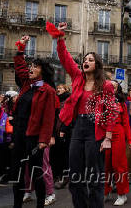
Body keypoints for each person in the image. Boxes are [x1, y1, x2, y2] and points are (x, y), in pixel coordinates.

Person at [50, 22, 119, 208]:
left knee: (94, 177)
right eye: (85, 59)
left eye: (90, 59)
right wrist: (61, 37)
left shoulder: (105, 85)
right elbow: (64, 58)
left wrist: (108, 137)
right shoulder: (77, 77)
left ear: (97, 64)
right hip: (77, 129)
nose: (85, 61)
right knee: (75, 177)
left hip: (95, 130)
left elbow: (112, 112)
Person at [11, 35, 56, 208]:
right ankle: (17, 205)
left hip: (35, 138)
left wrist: (44, 140)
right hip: (19, 135)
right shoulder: (26, 84)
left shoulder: (48, 91)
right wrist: (21, 48)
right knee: (18, 173)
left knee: (37, 174)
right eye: (31, 66)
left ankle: (40, 204)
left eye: (35, 66)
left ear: (42, 70)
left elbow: (49, 118)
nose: (30, 68)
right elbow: (19, 66)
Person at [104, 80, 131, 206]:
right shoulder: (101, 101)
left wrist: (130, 140)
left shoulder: (122, 103)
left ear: (117, 90)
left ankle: (122, 194)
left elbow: (126, 122)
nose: (112, 88)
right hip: (104, 134)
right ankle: (106, 191)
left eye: (115, 87)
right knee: (105, 165)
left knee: (118, 164)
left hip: (118, 133)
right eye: (110, 86)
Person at [51, 84, 72, 190]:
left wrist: (64, 129)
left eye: (60, 88)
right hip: (55, 131)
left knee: (65, 155)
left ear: (66, 90)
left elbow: (68, 116)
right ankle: (56, 176)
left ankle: (65, 177)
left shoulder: (68, 100)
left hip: (65, 131)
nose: (58, 90)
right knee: (55, 154)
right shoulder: (56, 100)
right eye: (57, 88)